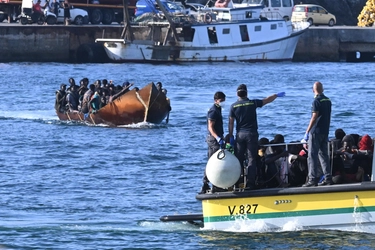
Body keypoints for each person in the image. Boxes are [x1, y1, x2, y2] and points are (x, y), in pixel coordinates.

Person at [228, 84, 285, 189]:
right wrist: (275, 95)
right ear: (246, 93)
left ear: (237, 94)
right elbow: (266, 100)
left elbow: (231, 123)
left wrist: (231, 136)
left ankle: (236, 183)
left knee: (238, 159)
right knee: (251, 159)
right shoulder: (252, 103)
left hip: (240, 135)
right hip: (251, 134)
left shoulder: (233, 106)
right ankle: (250, 184)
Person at [302, 81, 332, 187]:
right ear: (322, 89)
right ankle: (328, 177)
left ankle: (312, 179)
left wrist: (307, 132)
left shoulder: (316, 101)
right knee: (324, 155)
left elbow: (314, 116)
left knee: (312, 156)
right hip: (325, 131)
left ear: (313, 90)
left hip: (316, 131)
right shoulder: (327, 100)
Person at [199, 91, 226, 194]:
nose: (223, 102)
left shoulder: (218, 109)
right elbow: (210, 126)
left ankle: (209, 184)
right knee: (213, 162)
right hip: (214, 139)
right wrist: (218, 137)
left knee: (213, 161)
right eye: (221, 100)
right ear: (216, 100)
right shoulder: (213, 110)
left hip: (217, 138)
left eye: (224, 100)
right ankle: (210, 185)